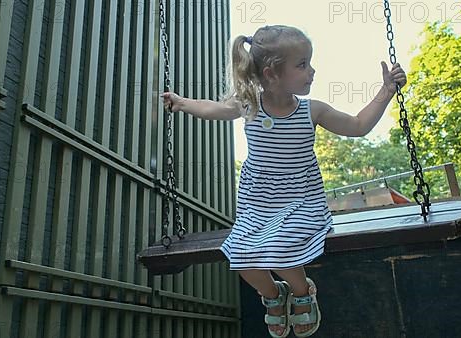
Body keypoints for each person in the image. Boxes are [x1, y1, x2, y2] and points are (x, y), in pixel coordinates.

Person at [161, 25, 407, 338]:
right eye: (302, 64)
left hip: (301, 201)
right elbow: (215, 109)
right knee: (239, 255)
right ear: (272, 74)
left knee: (280, 246)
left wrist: (385, 92)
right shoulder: (249, 106)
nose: (312, 71)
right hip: (258, 205)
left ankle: (303, 292)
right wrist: (183, 103)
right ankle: (273, 296)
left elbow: (357, 125)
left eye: (309, 63)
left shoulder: (311, 110)